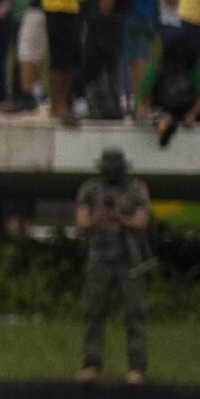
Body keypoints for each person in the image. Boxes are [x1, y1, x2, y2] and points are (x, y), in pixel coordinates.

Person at [72, 148, 149, 384]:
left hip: (127, 258)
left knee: (135, 312)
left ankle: (137, 367)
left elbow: (141, 222)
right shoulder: (90, 189)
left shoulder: (135, 190)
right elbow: (81, 222)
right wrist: (98, 217)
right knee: (93, 311)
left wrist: (119, 217)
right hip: (99, 257)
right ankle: (91, 364)